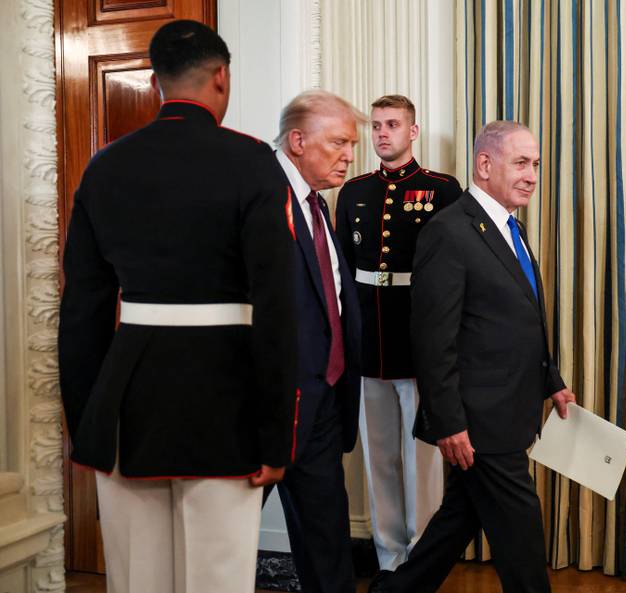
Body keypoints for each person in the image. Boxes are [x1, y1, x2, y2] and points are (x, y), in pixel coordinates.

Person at [58, 20, 300, 593]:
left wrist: (87, 419)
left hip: (126, 397)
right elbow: (277, 309)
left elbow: (83, 308)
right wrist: (276, 437)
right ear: (222, 76)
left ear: (154, 81)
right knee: (217, 576)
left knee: (137, 577)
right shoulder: (251, 163)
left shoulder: (105, 165)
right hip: (227, 395)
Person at [370, 120, 576, 593]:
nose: (531, 175)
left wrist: (552, 380)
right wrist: (448, 422)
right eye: (521, 163)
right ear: (484, 164)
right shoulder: (449, 231)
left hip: (507, 407)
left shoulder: (509, 226)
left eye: (535, 165)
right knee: (521, 536)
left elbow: (516, 320)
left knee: (457, 521)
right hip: (479, 419)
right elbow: (431, 337)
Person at [335, 95, 460, 574]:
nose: (382, 133)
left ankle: (422, 563)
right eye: (376, 125)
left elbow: (453, 271)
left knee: (421, 460)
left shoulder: (442, 189)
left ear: (413, 131)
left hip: (418, 339)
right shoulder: (354, 192)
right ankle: (390, 560)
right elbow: (344, 270)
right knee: (379, 456)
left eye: (392, 125)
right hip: (368, 340)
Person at [267, 90, 363, 593]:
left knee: (326, 533)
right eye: (340, 142)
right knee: (226, 542)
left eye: (352, 144)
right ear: (298, 140)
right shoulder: (258, 192)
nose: (350, 155)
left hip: (323, 396)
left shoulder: (317, 202)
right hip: (266, 403)